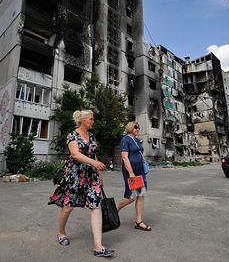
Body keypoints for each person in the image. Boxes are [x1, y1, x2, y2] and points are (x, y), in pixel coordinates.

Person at [48, 110, 114, 257]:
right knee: (68, 207)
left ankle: (98, 246)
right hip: (75, 175)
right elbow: (75, 154)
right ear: (83, 120)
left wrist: (99, 175)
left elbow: (93, 154)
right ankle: (61, 232)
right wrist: (95, 163)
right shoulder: (73, 135)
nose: (93, 121)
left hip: (91, 176)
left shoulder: (92, 136)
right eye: (91, 119)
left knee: (96, 207)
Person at [116, 121, 151, 231]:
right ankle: (115, 210)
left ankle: (138, 221)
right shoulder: (125, 140)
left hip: (139, 171)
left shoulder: (136, 140)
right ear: (130, 127)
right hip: (131, 171)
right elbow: (125, 157)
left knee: (141, 194)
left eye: (138, 127)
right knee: (132, 196)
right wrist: (131, 172)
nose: (137, 129)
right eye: (135, 127)